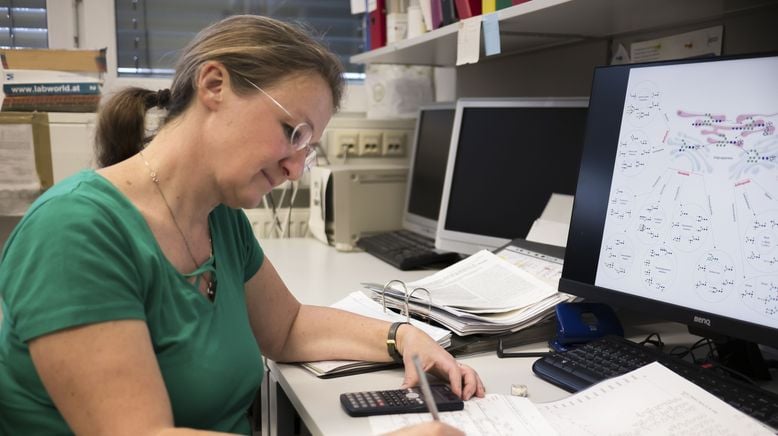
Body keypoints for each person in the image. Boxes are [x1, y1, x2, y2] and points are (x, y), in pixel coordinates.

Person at [0, 14, 483, 435]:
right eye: (293, 133)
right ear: (214, 85)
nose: (296, 168)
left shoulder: (219, 218)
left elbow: (287, 328)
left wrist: (402, 336)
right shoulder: (75, 232)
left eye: (308, 149)